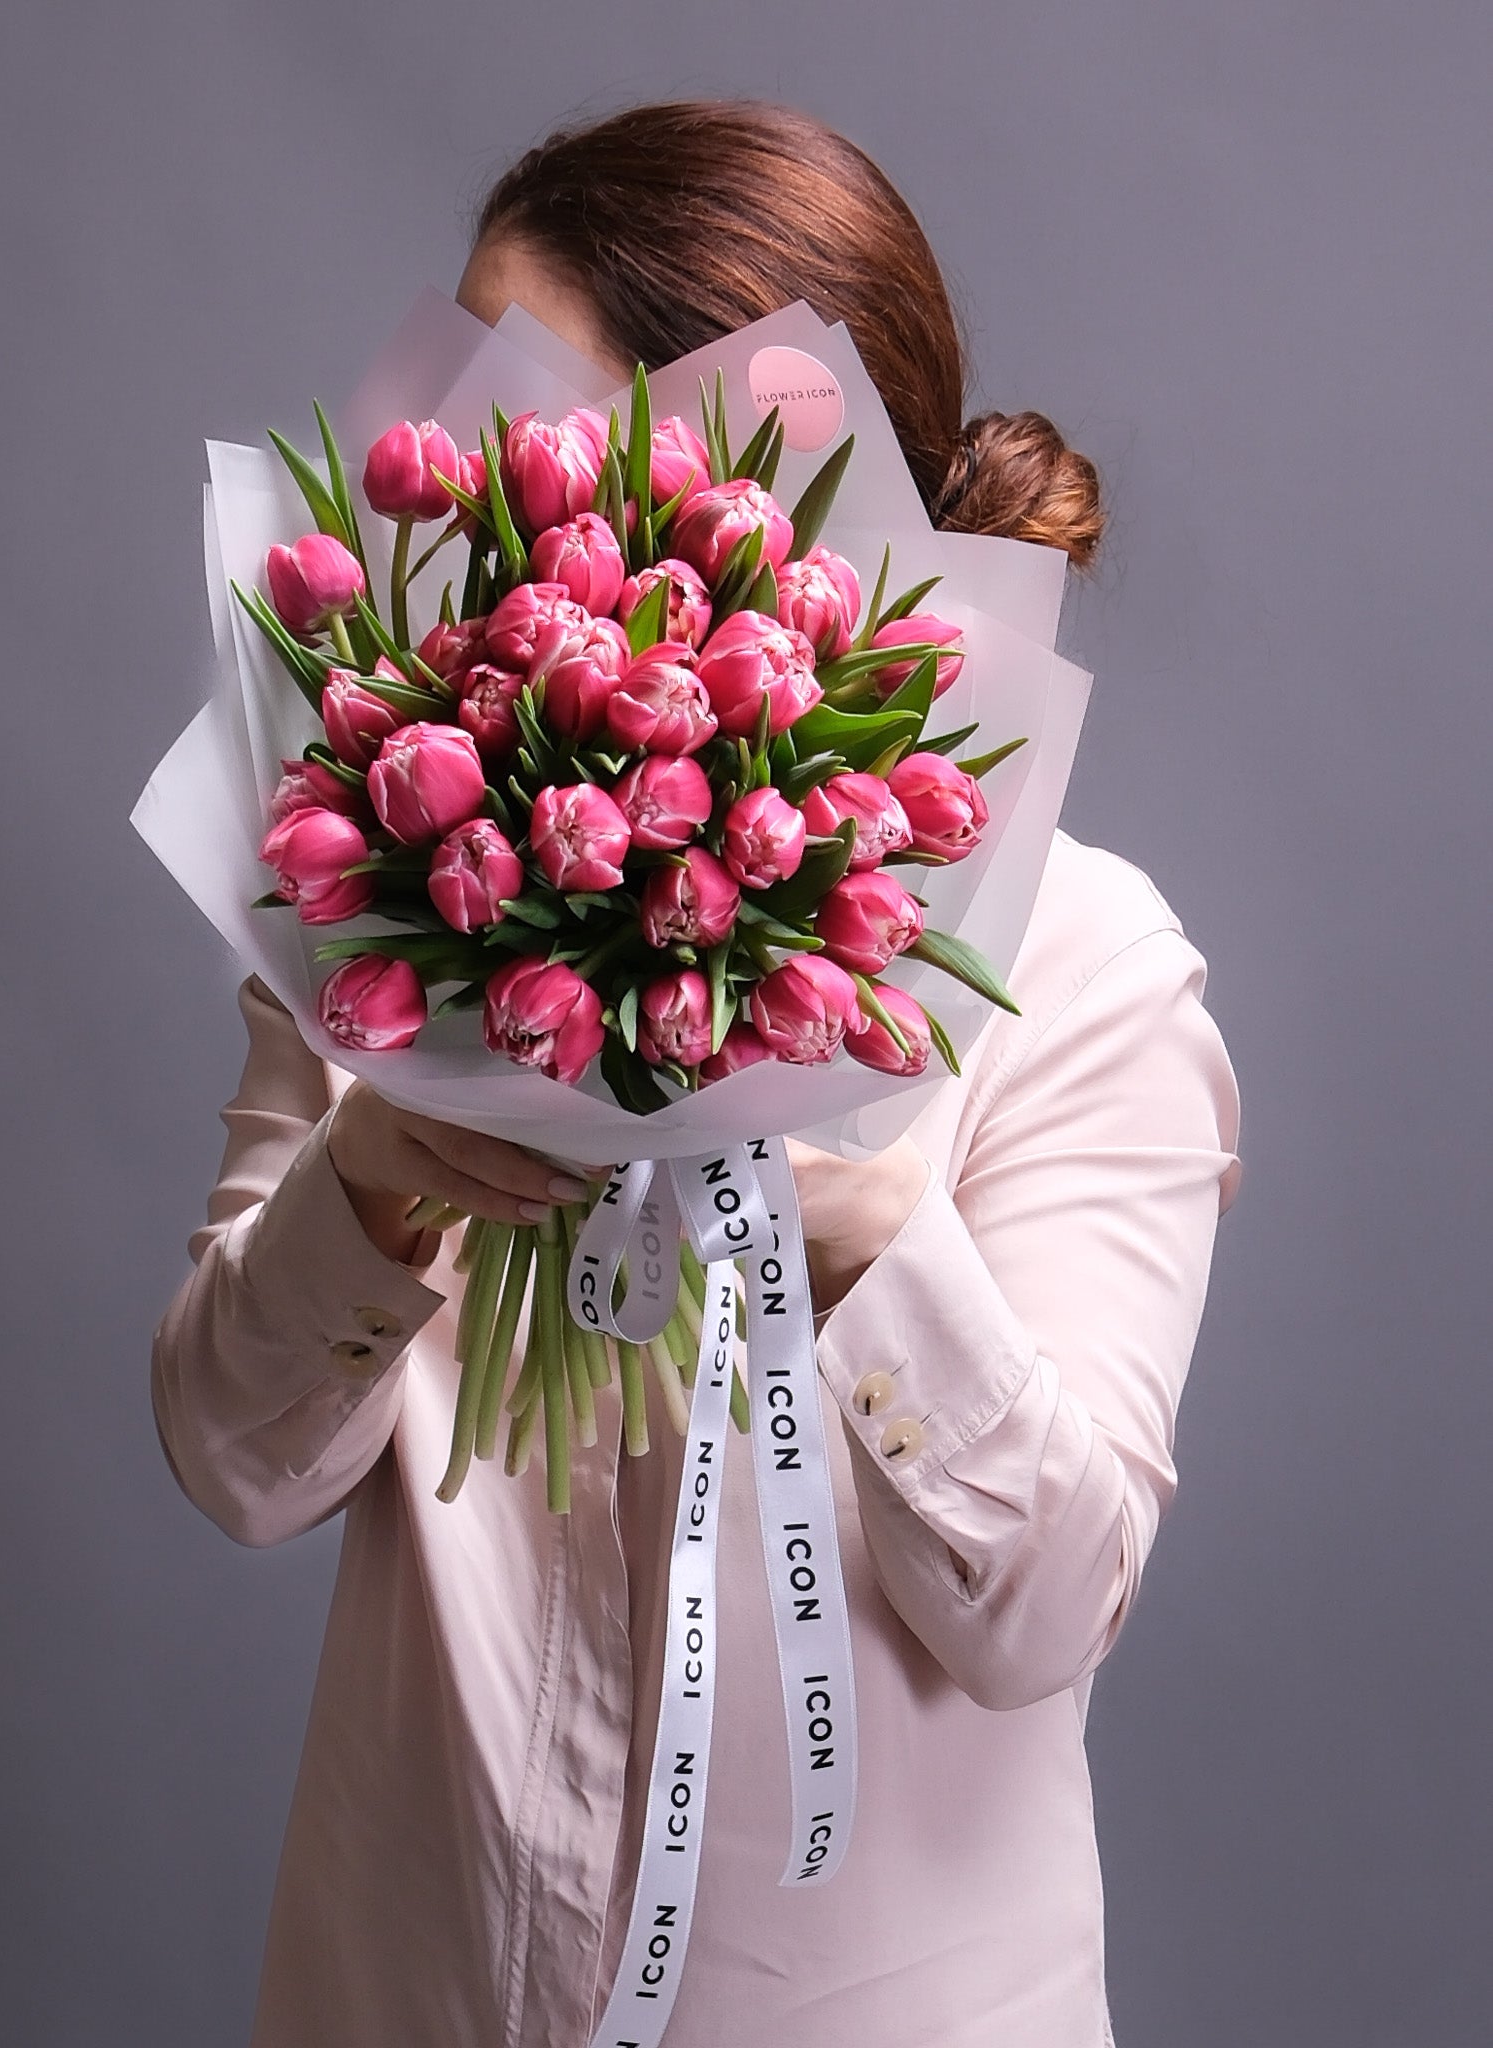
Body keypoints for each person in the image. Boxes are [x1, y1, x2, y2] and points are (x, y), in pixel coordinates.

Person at [151, 98, 1242, 2048]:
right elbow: (231, 1456)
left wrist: (856, 1212)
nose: (472, 502)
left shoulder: (1078, 964)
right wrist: (383, 1164)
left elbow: (1046, 1602)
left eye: (534, 430)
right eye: (460, 411)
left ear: (787, 503)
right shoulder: (382, 904)